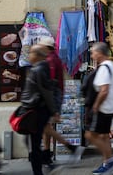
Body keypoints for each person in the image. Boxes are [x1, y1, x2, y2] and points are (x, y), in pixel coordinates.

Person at [37, 36, 85, 166]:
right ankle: (47, 154)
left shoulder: (50, 60)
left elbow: (50, 83)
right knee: (46, 127)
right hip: (54, 96)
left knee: (44, 126)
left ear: (46, 47)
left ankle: (71, 147)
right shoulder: (53, 58)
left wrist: (50, 104)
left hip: (52, 97)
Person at [21, 44, 59, 175]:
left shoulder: (38, 70)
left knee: (34, 144)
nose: (29, 55)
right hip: (36, 110)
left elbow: (46, 92)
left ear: (37, 56)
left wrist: (54, 111)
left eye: (31, 53)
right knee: (32, 142)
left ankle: (37, 171)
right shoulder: (39, 68)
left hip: (36, 111)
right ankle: (38, 168)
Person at [84, 42, 113, 175]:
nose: (92, 55)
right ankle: (107, 164)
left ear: (100, 53)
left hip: (103, 108)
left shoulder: (104, 68)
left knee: (90, 135)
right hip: (110, 107)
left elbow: (104, 90)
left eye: (93, 52)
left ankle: (110, 160)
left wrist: (96, 106)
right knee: (104, 136)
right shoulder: (111, 66)